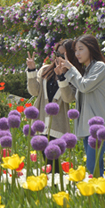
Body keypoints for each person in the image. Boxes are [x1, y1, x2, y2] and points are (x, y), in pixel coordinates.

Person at [57, 34, 105, 177]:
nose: (77, 54)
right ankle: (100, 196)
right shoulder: (86, 70)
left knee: (91, 165)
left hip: (99, 127)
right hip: (87, 127)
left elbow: (84, 86)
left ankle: (98, 194)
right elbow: (73, 94)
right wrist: (61, 76)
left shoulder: (99, 67)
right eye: (76, 50)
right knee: (95, 167)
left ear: (91, 48)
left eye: (81, 49)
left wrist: (71, 69)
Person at [26, 39, 81, 172]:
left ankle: (56, 188)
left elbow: (68, 98)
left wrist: (62, 77)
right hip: (41, 123)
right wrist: (32, 70)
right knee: (48, 163)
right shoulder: (45, 70)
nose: (59, 58)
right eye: (57, 54)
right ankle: (54, 188)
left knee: (52, 163)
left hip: (58, 125)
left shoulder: (72, 75)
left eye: (63, 55)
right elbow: (34, 91)